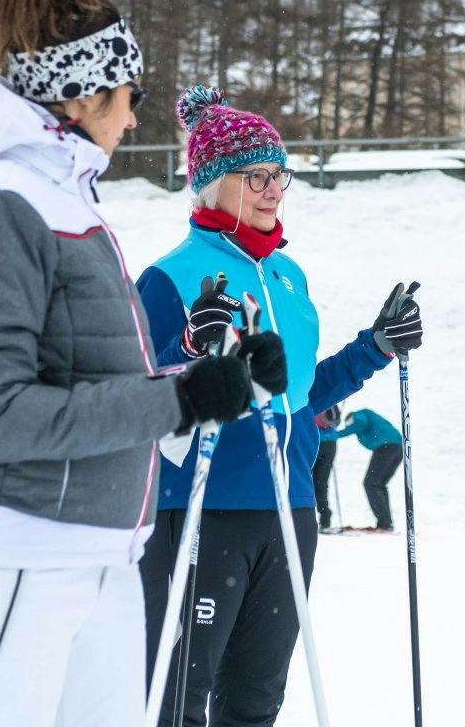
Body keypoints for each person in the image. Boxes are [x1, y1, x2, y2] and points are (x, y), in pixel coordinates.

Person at [0, 0, 275, 727]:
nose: (135, 118)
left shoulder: (65, 199)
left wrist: (215, 383)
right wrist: (175, 401)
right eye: (131, 96)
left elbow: (93, 380)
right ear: (84, 95)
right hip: (6, 563)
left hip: (99, 557)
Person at [136, 85, 425, 726]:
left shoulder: (289, 278)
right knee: (180, 695)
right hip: (203, 505)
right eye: (256, 176)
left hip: (290, 509)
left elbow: (299, 396)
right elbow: (138, 392)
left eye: (279, 175)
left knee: (257, 699)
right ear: (212, 185)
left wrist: (374, 348)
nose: (272, 190)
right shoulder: (169, 278)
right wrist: (190, 346)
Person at [335, 407, 403, 532]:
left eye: (348, 423)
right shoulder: (367, 417)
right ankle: (386, 523)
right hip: (397, 448)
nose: (349, 425)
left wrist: (336, 434)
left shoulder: (358, 415)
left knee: (370, 484)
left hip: (386, 446)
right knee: (378, 485)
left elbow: (361, 423)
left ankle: (385, 524)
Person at [312, 406, 340, 532]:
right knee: (321, 482)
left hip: (315, 440)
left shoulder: (309, 399)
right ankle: (325, 520)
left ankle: (304, 519)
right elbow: (337, 420)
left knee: (305, 479)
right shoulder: (331, 401)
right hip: (331, 443)